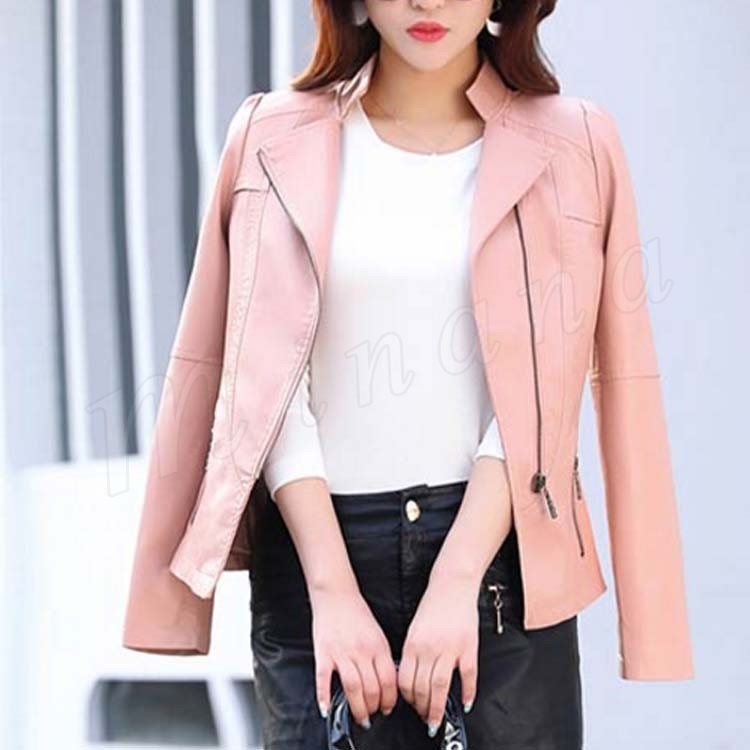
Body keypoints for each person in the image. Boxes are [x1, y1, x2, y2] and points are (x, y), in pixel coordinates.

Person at [122, 1, 694, 748]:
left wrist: (458, 578)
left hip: (502, 565)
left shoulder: (574, 141)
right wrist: (330, 587)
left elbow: (558, 378)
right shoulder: (268, 134)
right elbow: (254, 375)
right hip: (316, 564)